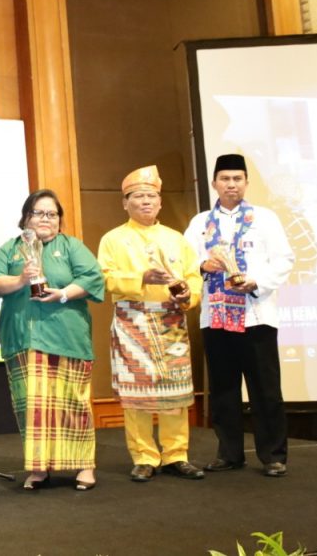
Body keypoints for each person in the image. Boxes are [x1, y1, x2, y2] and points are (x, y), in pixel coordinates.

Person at [184, 154, 294, 477]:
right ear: (215, 182)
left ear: (246, 182)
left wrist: (256, 281)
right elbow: (185, 262)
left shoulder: (265, 218)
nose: (231, 185)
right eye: (225, 179)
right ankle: (229, 453)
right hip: (216, 319)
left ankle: (273, 455)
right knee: (223, 390)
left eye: (237, 179)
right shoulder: (199, 222)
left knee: (266, 390)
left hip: (255, 315)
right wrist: (203, 266)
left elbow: (284, 259)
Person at [0, 189, 105, 491]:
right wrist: (20, 280)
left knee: (72, 404)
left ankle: (85, 467)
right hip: (22, 338)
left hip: (67, 337)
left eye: (52, 214)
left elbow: (93, 278)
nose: (45, 219)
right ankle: (39, 469)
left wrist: (64, 293)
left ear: (59, 220)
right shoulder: (11, 249)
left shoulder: (71, 246)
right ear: (26, 217)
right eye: (38, 213)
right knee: (32, 408)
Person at [97, 165, 204, 482]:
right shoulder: (113, 239)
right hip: (133, 320)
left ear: (159, 202)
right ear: (125, 203)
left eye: (152, 196)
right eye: (138, 196)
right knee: (137, 396)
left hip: (170, 319)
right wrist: (140, 278)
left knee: (176, 392)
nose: (146, 201)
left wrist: (188, 294)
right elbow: (104, 279)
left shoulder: (176, 239)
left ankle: (176, 454)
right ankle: (144, 456)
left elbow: (194, 279)